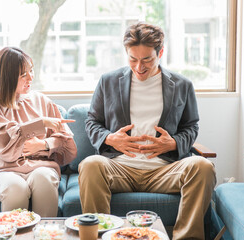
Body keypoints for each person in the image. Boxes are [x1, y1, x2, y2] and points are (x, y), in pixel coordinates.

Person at [79, 22, 216, 239]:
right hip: (119, 167)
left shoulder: (182, 85)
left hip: (164, 169)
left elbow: (191, 126)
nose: (139, 67)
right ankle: (101, 236)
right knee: (90, 164)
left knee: (203, 166)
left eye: (147, 60)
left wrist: (174, 143)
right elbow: (92, 121)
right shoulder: (109, 81)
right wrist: (110, 138)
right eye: (133, 59)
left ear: (160, 52)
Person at [0, 47, 77, 217]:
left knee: (44, 179)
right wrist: (42, 123)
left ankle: (45, 234)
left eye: (31, 71)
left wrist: (44, 144)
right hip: (4, 169)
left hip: (41, 165)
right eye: (23, 74)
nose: (31, 77)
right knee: (16, 189)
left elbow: (64, 139)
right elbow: (5, 142)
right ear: (7, 77)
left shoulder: (41, 100)